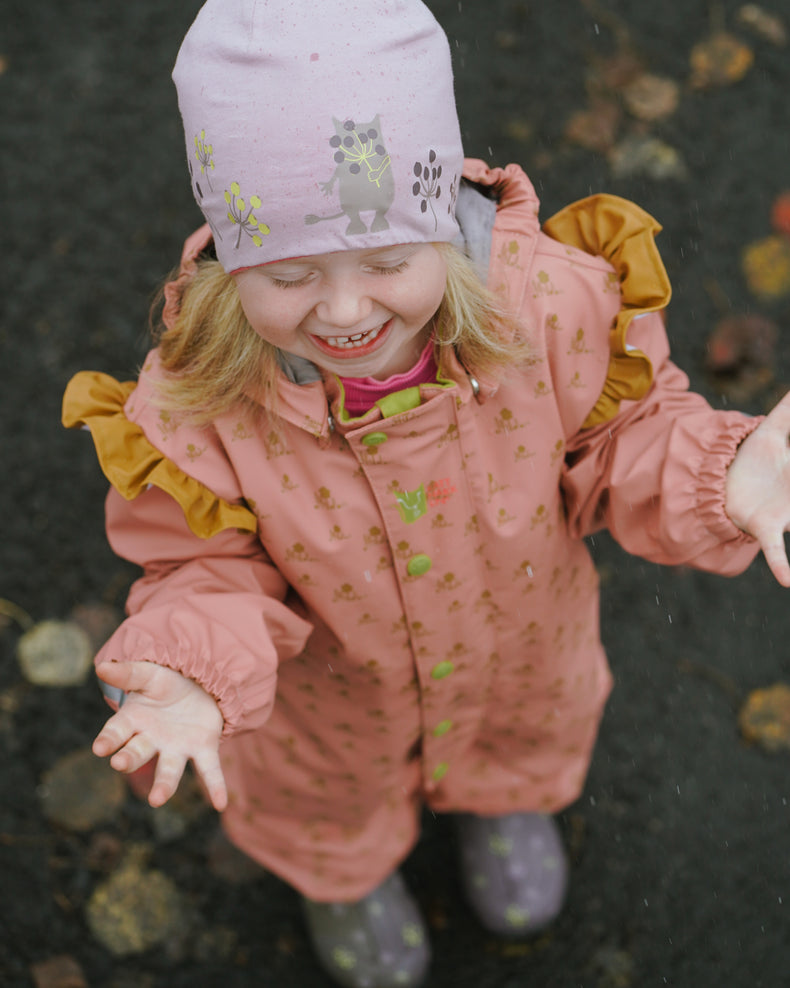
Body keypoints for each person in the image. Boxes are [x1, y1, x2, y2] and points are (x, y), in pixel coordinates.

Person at [62, 1, 790, 985]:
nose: (348, 307)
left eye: (389, 258)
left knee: (516, 743)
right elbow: (203, 563)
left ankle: (500, 807)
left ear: (440, 223)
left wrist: (717, 463)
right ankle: (347, 879)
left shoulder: (546, 308)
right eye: (290, 272)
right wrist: (192, 660)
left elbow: (619, 435)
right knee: (329, 807)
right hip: (330, 708)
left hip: (518, 655)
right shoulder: (200, 403)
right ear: (235, 267)